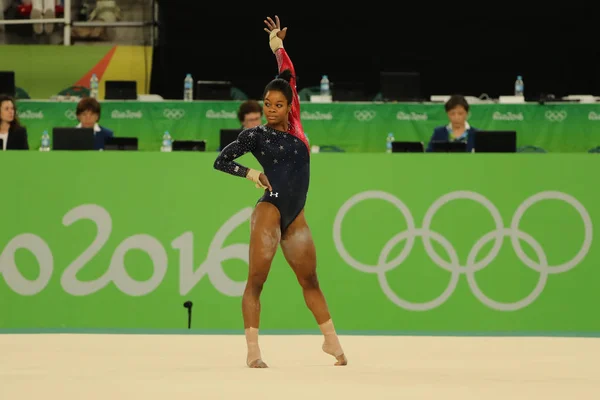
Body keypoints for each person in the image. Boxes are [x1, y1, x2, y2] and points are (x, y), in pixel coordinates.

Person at [213, 15, 347, 368]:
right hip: (270, 208)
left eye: (277, 105)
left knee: (311, 279)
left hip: (295, 214)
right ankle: (253, 351)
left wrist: (276, 42)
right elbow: (221, 160)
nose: (270, 110)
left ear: (290, 106)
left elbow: (287, 69)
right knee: (257, 279)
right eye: (266, 104)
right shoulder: (255, 135)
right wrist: (251, 173)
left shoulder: (297, 121)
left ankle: (332, 343)